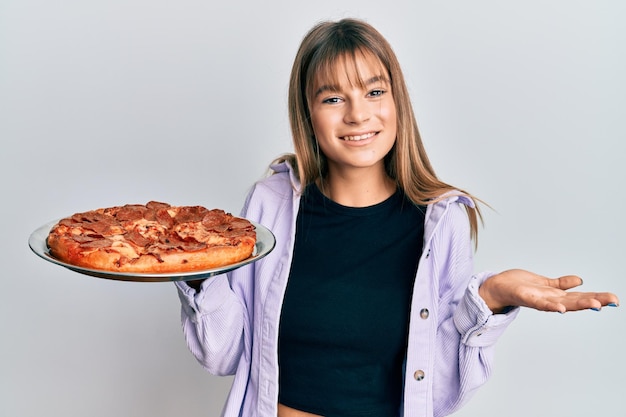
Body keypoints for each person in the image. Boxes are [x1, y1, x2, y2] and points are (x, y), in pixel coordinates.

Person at [175, 18, 619, 417]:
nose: (358, 114)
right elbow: (225, 355)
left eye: (374, 91)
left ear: (396, 99)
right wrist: (195, 266)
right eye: (333, 98)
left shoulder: (440, 222)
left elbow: (439, 393)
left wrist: (489, 298)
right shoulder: (269, 204)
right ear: (308, 114)